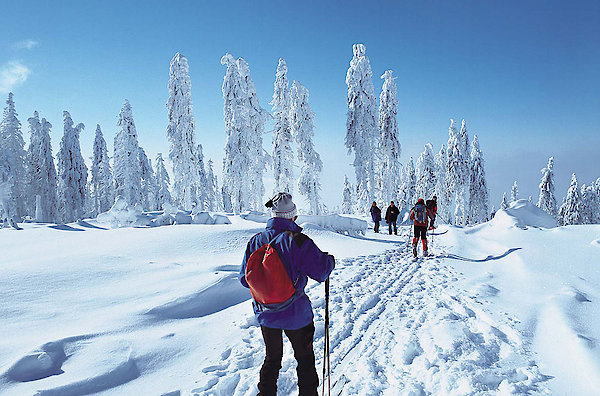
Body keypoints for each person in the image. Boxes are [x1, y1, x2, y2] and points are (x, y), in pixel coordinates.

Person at [239, 192, 335, 396]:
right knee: (305, 359)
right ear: (292, 216)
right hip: (296, 314)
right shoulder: (298, 240)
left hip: (265, 313)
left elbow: (243, 279)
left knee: (272, 358)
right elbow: (321, 271)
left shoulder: (255, 241)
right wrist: (330, 261)